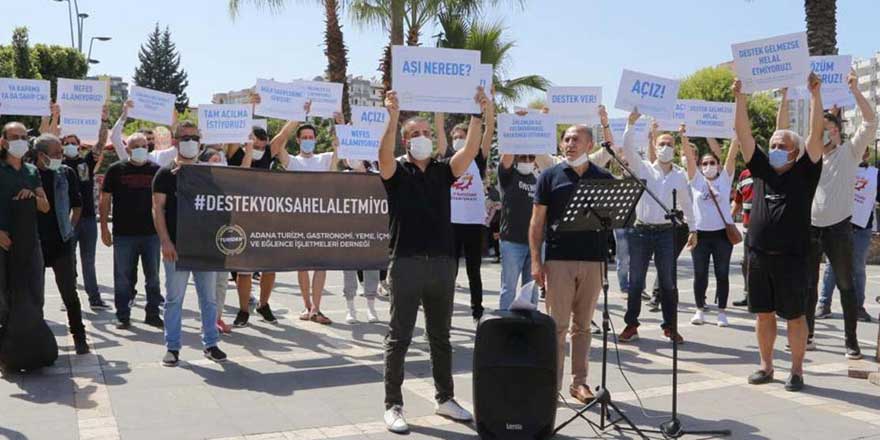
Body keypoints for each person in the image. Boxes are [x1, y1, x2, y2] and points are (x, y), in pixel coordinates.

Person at [378, 88, 488, 433]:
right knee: (399, 337)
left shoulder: (444, 170)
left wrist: (476, 113)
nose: (422, 137)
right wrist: (393, 115)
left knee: (441, 336)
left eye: (426, 133)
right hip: (407, 262)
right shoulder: (396, 172)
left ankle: (445, 399)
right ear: (406, 141)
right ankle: (393, 405)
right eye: (414, 134)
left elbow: (470, 149)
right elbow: (382, 154)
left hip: (442, 263)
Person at [734, 74, 825, 392]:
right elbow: (743, 133)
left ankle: (797, 370)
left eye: (781, 146)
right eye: (772, 145)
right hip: (758, 255)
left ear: (795, 151)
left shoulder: (806, 170)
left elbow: (816, 134)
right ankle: (766, 366)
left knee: (795, 317)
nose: (774, 149)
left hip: (793, 257)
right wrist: (740, 97)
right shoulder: (759, 168)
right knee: (763, 314)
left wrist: (816, 95)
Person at [529, 122, 613, 403]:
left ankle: (580, 384)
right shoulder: (550, 176)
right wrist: (536, 262)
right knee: (557, 326)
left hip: (593, 261)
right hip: (559, 261)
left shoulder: (603, 176)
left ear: (590, 144)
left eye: (576, 139)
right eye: (565, 139)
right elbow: (536, 222)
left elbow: (613, 218)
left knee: (583, 327)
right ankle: (551, 384)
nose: (569, 143)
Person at [801, 70, 878, 360]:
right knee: (808, 284)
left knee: (846, 284)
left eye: (829, 128)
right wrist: (814, 97)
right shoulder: (810, 157)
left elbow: (871, 121)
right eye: (819, 128)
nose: (824, 132)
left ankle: (851, 341)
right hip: (811, 229)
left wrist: (856, 90)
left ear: (837, 131)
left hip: (839, 230)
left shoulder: (850, 153)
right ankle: (807, 335)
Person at [152, 121, 226, 366]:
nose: (190, 142)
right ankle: (172, 347)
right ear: (175, 142)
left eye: (194, 137)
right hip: (176, 248)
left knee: (209, 299)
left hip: (205, 248)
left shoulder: (209, 175)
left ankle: (211, 344)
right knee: (174, 299)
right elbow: (158, 209)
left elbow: (220, 208)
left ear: (201, 141)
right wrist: (165, 241)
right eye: (184, 138)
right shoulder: (165, 173)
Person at [618, 111, 695, 344]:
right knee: (636, 281)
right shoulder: (644, 169)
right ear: (654, 144)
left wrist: (693, 229)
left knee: (668, 283)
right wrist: (631, 123)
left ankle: (670, 327)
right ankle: (631, 325)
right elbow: (628, 149)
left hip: (665, 234)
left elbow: (687, 204)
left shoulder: (680, 176)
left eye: (670, 144)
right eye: (662, 143)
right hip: (641, 232)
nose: (666, 147)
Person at [275, 111, 342, 325]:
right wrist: (295, 116)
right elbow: (277, 147)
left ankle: (316, 308)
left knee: (320, 265)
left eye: (311, 137)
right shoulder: (292, 161)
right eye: (304, 137)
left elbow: (342, 147)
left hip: (323, 219)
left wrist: (340, 124)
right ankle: (306, 306)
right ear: (298, 140)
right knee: (302, 265)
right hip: (298, 220)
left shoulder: (324, 159)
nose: (308, 141)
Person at [33, 134, 90, 354]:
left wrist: (69, 229)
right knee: (34, 295)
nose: (61, 156)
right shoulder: (28, 174)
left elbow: (77, 205)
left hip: (61, 244)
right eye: (56, 153)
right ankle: (35, 338)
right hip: (34, 243)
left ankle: (79, 336)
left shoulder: (66, 174)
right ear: (41, 155)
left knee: (69, 293)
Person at [100, 132, 164, 329]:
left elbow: (164, 202)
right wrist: (104, 228)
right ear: (127, 149)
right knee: (123, 278)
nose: (141, 149)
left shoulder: (157, 170)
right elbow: (105, 199)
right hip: (124, 234)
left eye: (144, 145)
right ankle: (123, 314)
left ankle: (153, 313)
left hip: (151, 234)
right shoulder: (115, 170)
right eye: (136, 146)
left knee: (153, 277)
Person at [436, 109, 494, 321]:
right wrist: (439, 102)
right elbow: (439, 128)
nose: (460, 140)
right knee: (449, 271)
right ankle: (444, 311)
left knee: (473, 271)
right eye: (456, 137)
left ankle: (477, 311)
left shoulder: (478, 158)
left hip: (473, 223)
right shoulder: (448, 158)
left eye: (463, 136)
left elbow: (488, 130)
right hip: (451, 223)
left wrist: (488, 105)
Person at [682, 136, 739, 327]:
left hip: (722, 235)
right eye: (704, 163)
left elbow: (731, 157)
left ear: (717, 164)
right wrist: (683, 136)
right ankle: (699, 310)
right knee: (700, 274)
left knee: (722, 273)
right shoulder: (696, 180)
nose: (708, 166)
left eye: (712, 162)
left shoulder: (725, 179)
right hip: (701, 235)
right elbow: (689, 159)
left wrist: (736, 136)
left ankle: (722, 312)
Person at [61, 105, 112, 310]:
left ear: (80, 146)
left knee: (88, 261)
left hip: (89, 219)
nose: (71, 146)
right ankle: (70, 297)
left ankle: (94, 298)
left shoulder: (86, 163)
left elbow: (100, 143)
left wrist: (104, 121)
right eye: (67, 143)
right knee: (68, 260)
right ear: (62, 146)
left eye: (74, 143)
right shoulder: (57, 165)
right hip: (67, 219)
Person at [818, 149, 878, 323]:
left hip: (861, 228)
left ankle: (858, 307)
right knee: (831, 267)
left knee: (858, 268)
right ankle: (824, 305)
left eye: (864, 150)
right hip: (837, 226)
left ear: (866, 154)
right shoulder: (838, 170)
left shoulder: (874, 174)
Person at [342, 159, 381, 324]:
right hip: (349, 229)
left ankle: (371, 307)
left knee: (372, 269)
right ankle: (350, 308)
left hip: (371, 229)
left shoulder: (377, 177)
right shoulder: (343, 178)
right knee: (348, 269)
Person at [497, 152, 537, 310]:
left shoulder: (538, 180)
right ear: (515, 158)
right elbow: (506, 158)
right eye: (522, 157)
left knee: (532, 288)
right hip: (512, 241)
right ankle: (504, 326)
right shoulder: (509, 176)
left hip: (535, 244)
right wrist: (514, 140)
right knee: (509, 288)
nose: (527, 161)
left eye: (531, 157)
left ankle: (530, 326)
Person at [111, 99, 178, 167]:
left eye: (153, 139)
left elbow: (179, 147)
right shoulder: (128, 155)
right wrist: (124, 114)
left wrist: (174, 122)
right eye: (148, 139)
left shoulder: (159, 156)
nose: (151, 142)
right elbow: (114, 137)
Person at [731, 167, 754, 307]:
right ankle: (749, 295)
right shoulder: (744, 175)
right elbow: (738, 201)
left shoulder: (769, 172)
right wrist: (728, 219)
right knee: (746, 263)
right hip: (748, 229)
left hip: (768, 229)